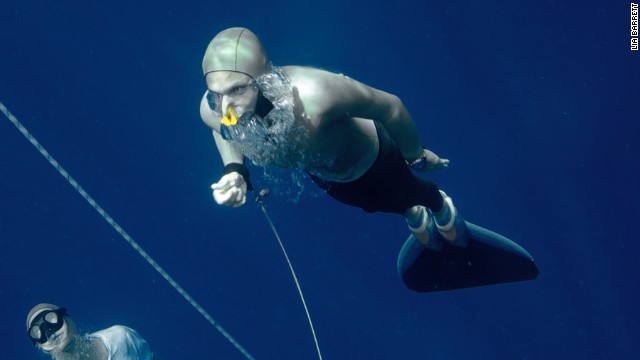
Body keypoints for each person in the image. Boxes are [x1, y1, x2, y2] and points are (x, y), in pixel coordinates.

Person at [199, 27, 468, 254]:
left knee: (411, 190)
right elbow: (221, 130)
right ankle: (411, 214)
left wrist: (415, 155)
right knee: (372, 205)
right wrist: (234, 170)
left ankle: (441, 207)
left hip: (375, 156)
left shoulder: (316, 95)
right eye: (217, 94)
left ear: (262, 79)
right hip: (327, 174)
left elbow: (391, 107)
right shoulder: (215, 109)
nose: (226, 110)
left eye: (237, 89)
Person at [26, 303, 160, 360]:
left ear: (68, 319)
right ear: (42, 348)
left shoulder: (121, 337)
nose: (50, 333)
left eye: (51, 319)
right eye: (39, 333)